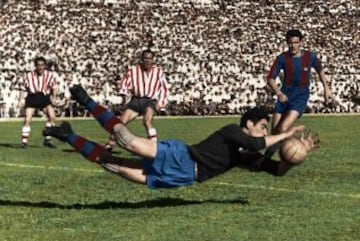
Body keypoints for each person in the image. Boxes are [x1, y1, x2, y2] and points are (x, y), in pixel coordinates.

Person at [44, 85, 319, 189]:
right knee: (128, 141)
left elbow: (276, 170)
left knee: (111, 164)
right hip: (180, 156)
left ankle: (67, 135)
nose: (264, 131)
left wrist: (296, 157)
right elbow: (256, 142)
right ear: (249, 124)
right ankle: (87, 101)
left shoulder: (246, 156)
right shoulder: (233, 131)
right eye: (262, 125)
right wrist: (286, 134)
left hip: (183, 177)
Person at [265, 29, 334, 157]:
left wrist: (326, 89)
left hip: (300, 96)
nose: (293, 45)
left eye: (296, 42)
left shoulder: (310, 56)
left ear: (301, 42)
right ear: (287, 42)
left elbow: (320, 70)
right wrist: (279, 93)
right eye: (290, 42)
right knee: (275, 132)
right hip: (285, 94)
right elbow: (270, 78)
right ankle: (265, 160)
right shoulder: (282, 58)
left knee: (283, 128)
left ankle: (298, 148)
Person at [104, 49, 169, 151]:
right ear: (141, 59)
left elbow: (164, 87)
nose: (147, 61)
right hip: (136, 100)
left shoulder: (158, 72)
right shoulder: (133, 71)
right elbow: (124, 84)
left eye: (149, 58)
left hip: (150, 100)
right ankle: (110, 145)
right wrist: (124, 95)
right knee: (120, 123)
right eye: (145, 58)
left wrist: (161, 103)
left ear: (153, 60)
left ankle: (154, 145)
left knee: (147, 121)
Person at [17, 56, 58, 148]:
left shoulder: (49, 75)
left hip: (44, 97)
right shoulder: (29, 75)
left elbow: (54, 87)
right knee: (28, 119)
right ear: (35, 66)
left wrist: (54, 98)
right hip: (32, 97)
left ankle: (47, 139)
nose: (40, 67)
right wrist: (20, 101)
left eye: (42, 65)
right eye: (38, 65)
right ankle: (24, 142)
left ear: (45, 66)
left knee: (52, 116)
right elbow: (22, 89)